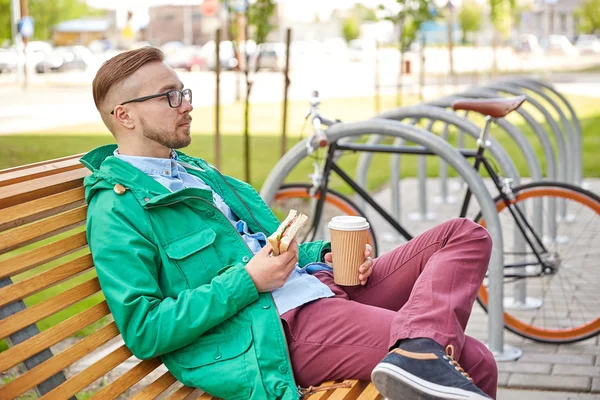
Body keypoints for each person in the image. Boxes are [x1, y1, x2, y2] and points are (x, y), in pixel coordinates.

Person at [83, 47, 498, 400]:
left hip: (318, 285)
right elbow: (144, 329)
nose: (187, 105)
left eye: (184, 92)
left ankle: (419, 348)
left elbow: (268, 239)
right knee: (473, 359)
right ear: (126, 116)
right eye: (170, 96)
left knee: (463, 234)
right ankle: (420, 352)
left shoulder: (195, 172)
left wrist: (326, 255)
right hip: (277, 325)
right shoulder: (118, 209)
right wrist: (249, 280)